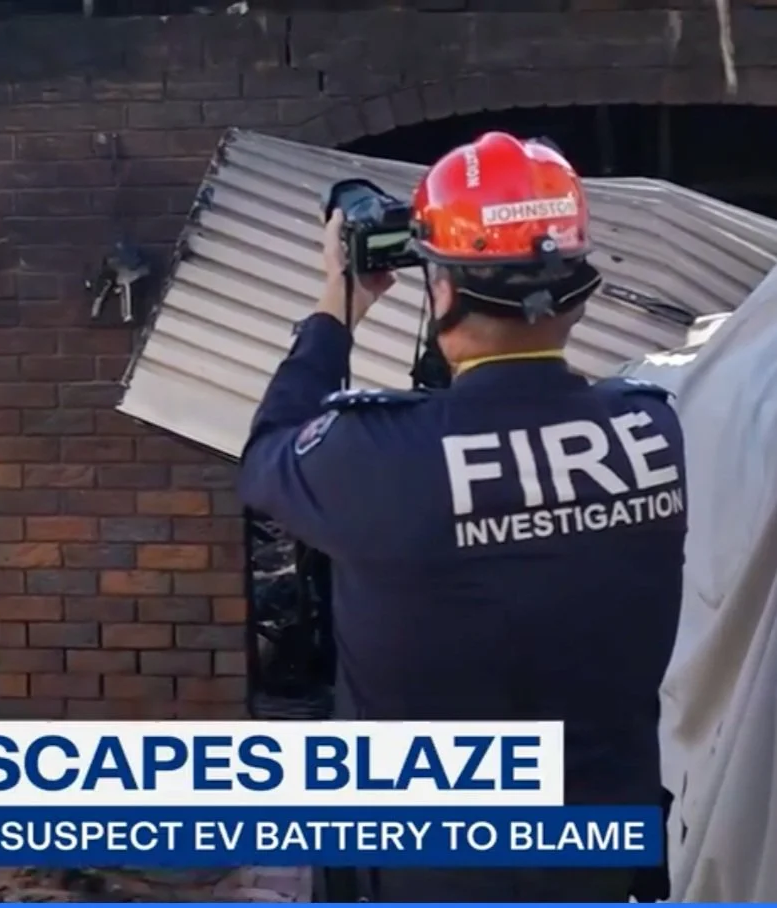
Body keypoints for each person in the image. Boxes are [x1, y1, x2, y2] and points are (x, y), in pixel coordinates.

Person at [237, 132, 687, 903]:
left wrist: (338, 304)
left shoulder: (371, 455)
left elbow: (267, 456)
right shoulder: (654, 432)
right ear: (577, 290)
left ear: (441, 288)